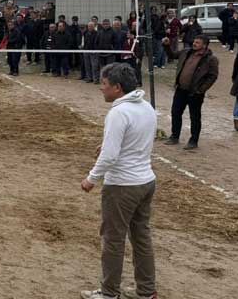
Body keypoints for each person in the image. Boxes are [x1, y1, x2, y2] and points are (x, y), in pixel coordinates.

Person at [80, 63, 157, 299]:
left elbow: (110, 156)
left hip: (123, 186)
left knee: (113, 240)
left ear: (118, 88)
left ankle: (109, 293)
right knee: (141, 237)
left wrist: (92, 178)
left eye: (104, 84)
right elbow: (136, 139)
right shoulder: (146, 107)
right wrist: (106, 145)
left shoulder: (118, 112)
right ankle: (146, 291)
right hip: (146, 181)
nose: (101, 88)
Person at [162, 34, 219, 150]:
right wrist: (167, 46)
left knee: (195, 117)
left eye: (197, 42)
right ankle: (174, 136)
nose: (194, 44)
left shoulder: (210, 59)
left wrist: (201, 89)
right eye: (194, 41)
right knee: (175, 112)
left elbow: (213, 76)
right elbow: (172, 55)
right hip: (181, 90)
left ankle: (193, 141)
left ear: (204, 45)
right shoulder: (186, 52)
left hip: (195, 93)